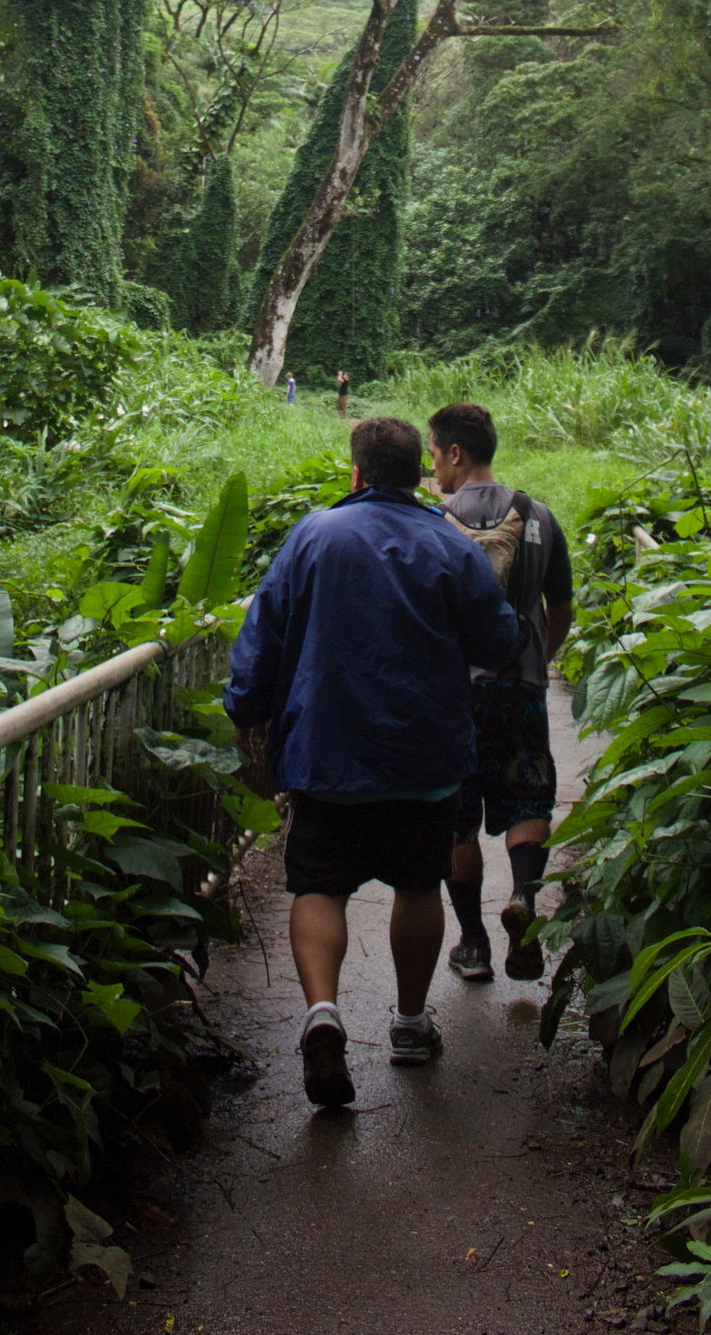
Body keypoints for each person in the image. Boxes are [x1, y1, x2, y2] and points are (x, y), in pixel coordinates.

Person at [224, 415, 518, 1109]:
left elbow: (260, 637)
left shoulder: (313, 535)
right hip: (424, 756)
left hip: (324, 752)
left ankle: (323, 1013)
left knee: (319, 887)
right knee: (418, 884)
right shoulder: (448, 544)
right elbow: (499, 641)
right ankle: (411, 1025)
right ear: (420, 472)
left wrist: (249, 709)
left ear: (354, 473)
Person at [427, 401, 573, 983]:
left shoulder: (433, 521)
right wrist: (538, 659)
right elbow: (560, 608)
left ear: (456, 453)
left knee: (458, 819)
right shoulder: (540, 515)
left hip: (453, 695)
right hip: (521, 686)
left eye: (435, 455)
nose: (433, 468)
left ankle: (473, 943)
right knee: (528, 798)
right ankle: (524, 900)